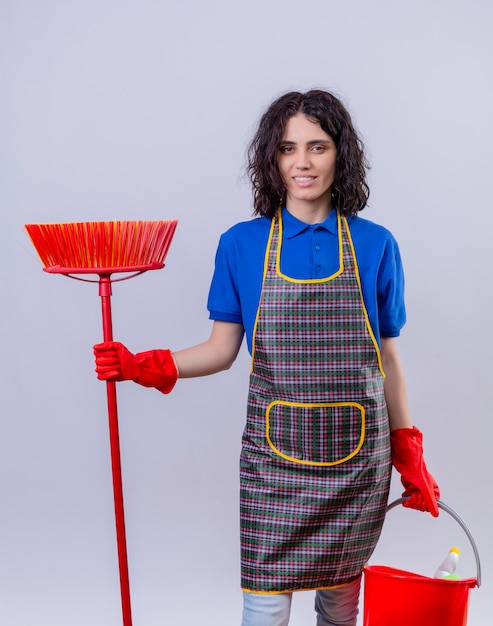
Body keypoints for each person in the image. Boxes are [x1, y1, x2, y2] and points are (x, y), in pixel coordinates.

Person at [94, 89, 440, 626]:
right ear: (271, 159)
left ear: (340, 154)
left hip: (356, 461)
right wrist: (147, 365)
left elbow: (387, 357)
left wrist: (407, 446)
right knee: (264, 605)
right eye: (287, 148)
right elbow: (220, 349)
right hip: (275, 461)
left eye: (317, 147)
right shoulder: (241, 245)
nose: (302, 162)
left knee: (341, 603)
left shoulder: (375, 245)